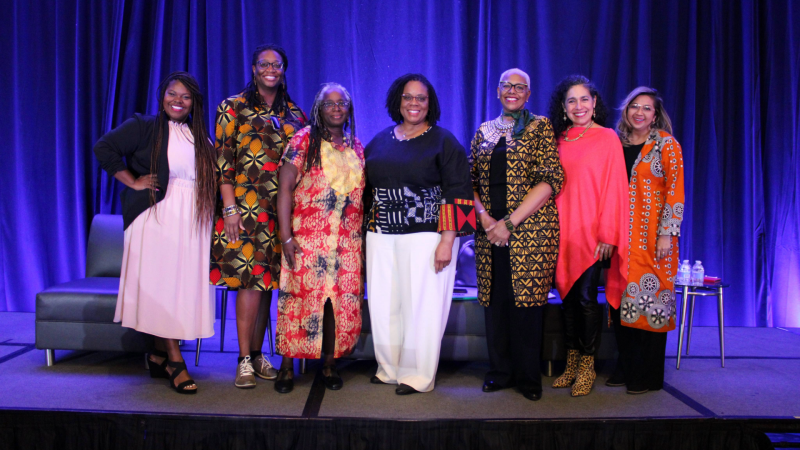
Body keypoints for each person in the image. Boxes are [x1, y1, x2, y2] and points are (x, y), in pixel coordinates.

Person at [94, 71, 217, 394]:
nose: (177, 101)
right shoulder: (144, 126)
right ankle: (175, 361)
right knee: (162, 286)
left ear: (195, 103)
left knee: (178, 287)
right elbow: (104, 147)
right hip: (157, 215)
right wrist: (132, 181)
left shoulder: (200, 137)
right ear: (162, 96)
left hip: (192, 219)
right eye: (172, 94)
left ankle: (158, 355)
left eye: (185, 96)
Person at [364, 73, 475, 395]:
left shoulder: (444, 141)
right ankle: (389, 367)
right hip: (380, 235)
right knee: (385, 306)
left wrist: (447, 240)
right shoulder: (381, 139)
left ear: (430, 103)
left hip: (428, 236)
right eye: (408, 97)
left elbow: (459, 192)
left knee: (422, 308)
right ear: (397, 101)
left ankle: (417, 375)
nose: (414, 103)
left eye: (421, 98)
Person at [210, 44, 307, 389]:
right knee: (248, 284)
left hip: (280, 214)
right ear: (253, 69)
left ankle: (257, 354)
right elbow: (222, 160)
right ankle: (242, 361)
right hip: (242, 210)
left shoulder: (296, 115)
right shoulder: (232, 107)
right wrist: (230, 208)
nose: (270, 69)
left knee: (268, 284)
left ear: (283, 70)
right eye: (264, 64)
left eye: (276, 64)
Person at [470, 68, 564, 401]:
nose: (512, 91)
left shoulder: (540, 126)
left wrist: (508, 224)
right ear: (497, 92)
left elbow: (550, 180)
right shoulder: (483, 131)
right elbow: (469, 182)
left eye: (519, 87)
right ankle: (499, 372)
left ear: (528, 94)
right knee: (495, 302)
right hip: (487, 231)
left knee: (526, 304)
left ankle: (527, 377)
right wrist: (484, 219)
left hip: (531, 231)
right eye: (507, 86)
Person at [274, 83, 365, 393]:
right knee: (297, 299)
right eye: (330, 104)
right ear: (319, 109)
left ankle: (329, 363)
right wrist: (286, 237)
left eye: (342, 103)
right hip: (307, 239)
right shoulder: (303, 140)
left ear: (349, 109)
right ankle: (286, 366)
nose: (337, 108)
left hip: (346, 243)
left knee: (335, 305)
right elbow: (284, 189)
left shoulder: (356, 145)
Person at [547, 75, 629, 397]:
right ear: (563, 108)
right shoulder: (558, 138)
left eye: (584, 99)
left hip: (593, 234)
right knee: (566, 302)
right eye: (571, 101)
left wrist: (609, 234)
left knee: (584, 299)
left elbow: (615, 189)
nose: (578, 106)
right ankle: (570, 362)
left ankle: (587, 366)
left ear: (594, 103)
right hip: (559, 233)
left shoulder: (608, 138)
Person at [608, 86, 685, 394]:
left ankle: (649, 376)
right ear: (626, 110)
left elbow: (675, 190)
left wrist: (668, 232)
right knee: (621, 303)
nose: (639, 112)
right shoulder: (617, 143)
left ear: (655, 115)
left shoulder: (666, 144)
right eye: (634, 106)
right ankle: (627, 366)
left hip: (653, 237)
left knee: (651, 303)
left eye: (647, 108)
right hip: (621, 239)